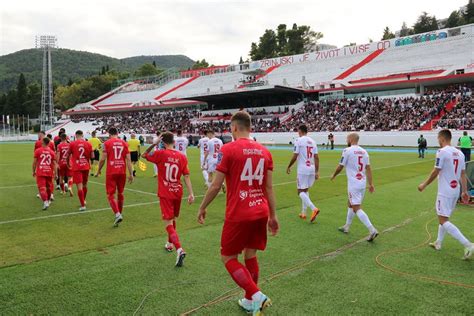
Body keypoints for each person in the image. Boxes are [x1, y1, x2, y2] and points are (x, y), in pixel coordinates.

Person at [198, 111, 278, 314]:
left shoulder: (229, 149)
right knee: (250, 254)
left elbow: (216, 186)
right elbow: (269, 187)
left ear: (234, 128)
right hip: (260, 210)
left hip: (239, 212)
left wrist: (203, 206)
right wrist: (273, 216)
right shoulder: (265, 151)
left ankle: (257, 295)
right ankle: (250, 300)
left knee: (228, 257)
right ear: (250, 127)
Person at [142, 131, 194, 267]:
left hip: (165, 192)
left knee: (168, 223)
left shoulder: (160, 153)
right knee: (173, 219)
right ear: (174, 142)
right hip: (178, 191)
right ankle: (170, 243)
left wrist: (153, 143)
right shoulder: (182, 156)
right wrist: (191, 193)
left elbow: (144, 155)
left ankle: (179, 248)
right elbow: (187, 176)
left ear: (162, 142)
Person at [418, 129, 472, 259]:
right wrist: (464, 191)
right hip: (455, 190)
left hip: (445, 191)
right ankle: (438, 242)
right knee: (445, 218)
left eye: (438, 138)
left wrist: (424, 184)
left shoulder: (441, 152)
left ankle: (468, 244)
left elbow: (436, 171)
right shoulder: (459, 153)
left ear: (442, 138)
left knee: (442, 220)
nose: (438, 141)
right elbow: (463, 174)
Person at [330, 133, 379, 241]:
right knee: (350, 203)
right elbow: (368, 169)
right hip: (362, 183)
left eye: (347, 138)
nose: (346, 140)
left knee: (356, 208)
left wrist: (334, 174)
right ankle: (347, 226)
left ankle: (372, 230)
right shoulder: (364, 151)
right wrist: (371, 184)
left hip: (353, 183)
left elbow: (340, 166)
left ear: (351, 139)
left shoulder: (347, 150)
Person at [97, 127, 134, 227]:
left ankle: (117, 214)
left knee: (110, 195)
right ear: (117, 133)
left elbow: (102, 159)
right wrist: (131, 174)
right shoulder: (125, 143)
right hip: (122, 171)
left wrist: (99, 170)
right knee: (120, 193)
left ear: (109, 134)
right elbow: (128, 160)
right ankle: (119, 214)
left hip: (111, 171)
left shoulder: (107, 143)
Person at [286, 125, 320, 221]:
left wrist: (289, 166)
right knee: (305, 190)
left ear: (300, 131)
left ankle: (314, 209)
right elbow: (316, 157)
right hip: (311, 168)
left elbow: (295, 155)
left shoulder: (299, 140)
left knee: (300, 192)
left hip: (303, 169)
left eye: (298, 131)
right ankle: (303, 213)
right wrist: (317, 171)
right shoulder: (313, 141)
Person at [68, 130, 94, 211]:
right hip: (86, 166)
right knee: (85, 185)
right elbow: (92, 156)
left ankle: (82, 205)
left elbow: (68, 155)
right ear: (82, 135)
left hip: (77, 167)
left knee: (79, 186)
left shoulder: (72, 143)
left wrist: (68, 163)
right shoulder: (88, 143)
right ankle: (84, 200)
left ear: (75, 135)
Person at [33, 137, 57, 210]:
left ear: (42, 142)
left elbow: (34, 163)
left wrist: (33, 171)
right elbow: (55, 164)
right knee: (49, 188)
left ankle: (45, 202)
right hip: (49, 171)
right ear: (49, 143)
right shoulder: (52, 152)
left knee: (42, 188)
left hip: (40, 171)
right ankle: (48, 200)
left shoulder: (38, 151)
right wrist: (56, 174)